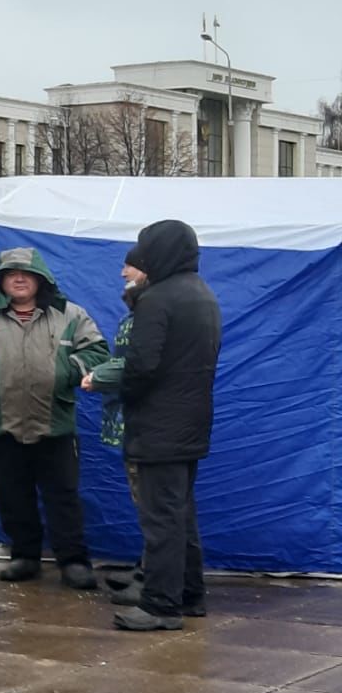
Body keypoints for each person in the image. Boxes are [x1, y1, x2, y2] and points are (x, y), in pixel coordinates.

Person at [0, 248, 109, 589]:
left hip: (55, 424)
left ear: (40, 279)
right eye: (11, 274)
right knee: (11, 495)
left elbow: (98, 353)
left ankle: (74, 561)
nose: (19, 279)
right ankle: (24, 556)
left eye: (26, 273)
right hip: (0, 426)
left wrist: (65, 371)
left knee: (63, 496)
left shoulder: (70, 315)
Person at [112, 221, 221, 632]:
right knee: (181, 516)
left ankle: (160, 605)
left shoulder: (157, 299)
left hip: (159, 425)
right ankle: (190, 595)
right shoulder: (201, 294)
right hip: (191, 423)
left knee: (161, 519)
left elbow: (142, 365)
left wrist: (125, 395)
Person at [82, 246, 150, 602]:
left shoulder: (153, 310)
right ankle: (147, 569)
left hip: (146, 424)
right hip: (132, 421)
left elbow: (136, 361)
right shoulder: (143, 307)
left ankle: (155, 580)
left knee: (154, 507)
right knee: (149, 506)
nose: (123, 272)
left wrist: (99, 375)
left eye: (129, 266)